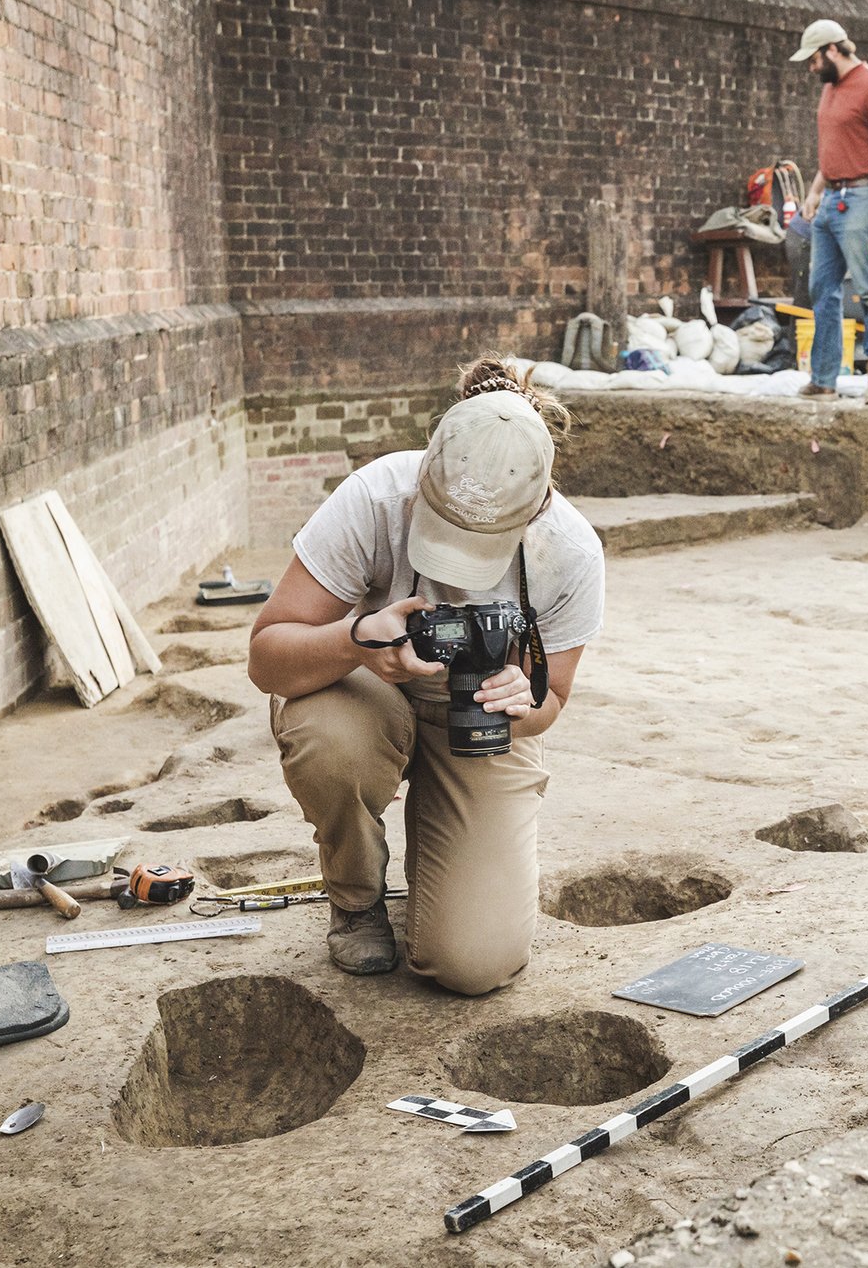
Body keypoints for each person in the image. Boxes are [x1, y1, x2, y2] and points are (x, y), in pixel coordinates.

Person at [247, 360, 605, 994]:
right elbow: (267, 658)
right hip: (366, 693)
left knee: (471, 965)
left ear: (537, 503)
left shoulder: (569, 550)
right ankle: (356, 898)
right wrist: (356, 643)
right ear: (428, 470)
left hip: (477, 725)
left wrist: (524, 702)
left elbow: (555, 700)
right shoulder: (376, 495)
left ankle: (447, 873)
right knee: (330, 741)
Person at [790, 18, 868, 406]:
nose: (811, 68)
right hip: (830, 201)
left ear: (832, 51)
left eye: (813, 59)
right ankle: (824, 380)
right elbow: (838, 147)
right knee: (822, 291)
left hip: (864, 199)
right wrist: (814, 192)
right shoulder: (830, 90)